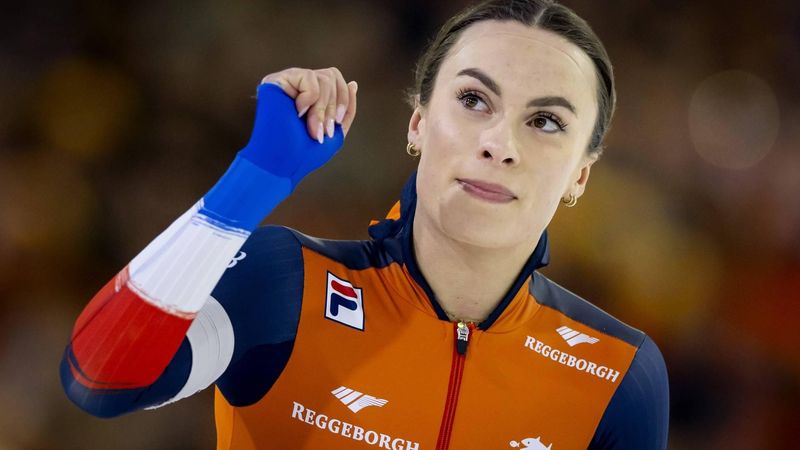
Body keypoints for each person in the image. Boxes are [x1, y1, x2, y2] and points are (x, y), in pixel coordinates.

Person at [60, 0, 669, 448]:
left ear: (581, 177)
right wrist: (256, 177)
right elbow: (98, 381)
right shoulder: (286, 285)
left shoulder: (621, 374)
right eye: (474, 100)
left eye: (545, 122)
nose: (498, 144)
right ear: (417, 124)